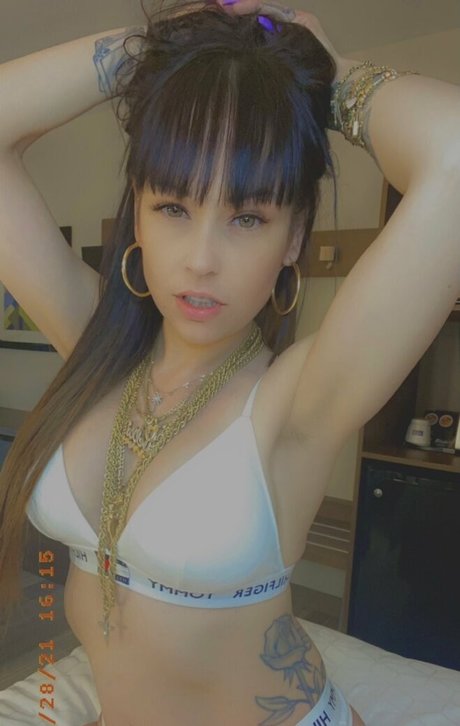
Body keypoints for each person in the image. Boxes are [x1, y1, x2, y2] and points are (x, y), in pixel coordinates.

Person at [0, 0, 459, 724]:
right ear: (138, 212)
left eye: (247, 217)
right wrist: (163, 51)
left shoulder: (296, 399)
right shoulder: (97, 343)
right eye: (174, 209)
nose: (201, 260)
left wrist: (326, 76)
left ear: (293, 237)